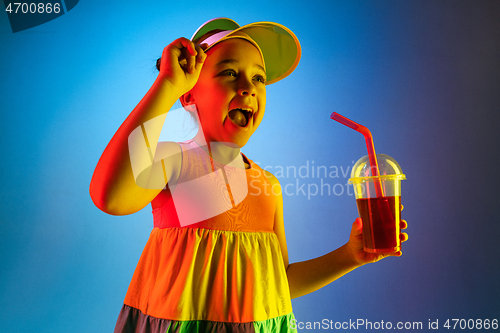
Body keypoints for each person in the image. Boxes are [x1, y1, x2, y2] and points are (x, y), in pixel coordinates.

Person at [89, 18, 408, 333]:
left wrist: (349, 255)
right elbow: (110, 196)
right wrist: (167, 85)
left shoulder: (266, 185)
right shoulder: (174, 161)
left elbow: (278, 281)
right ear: (189, 95)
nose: (248, 88)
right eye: (229, 73)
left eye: (259, 78)